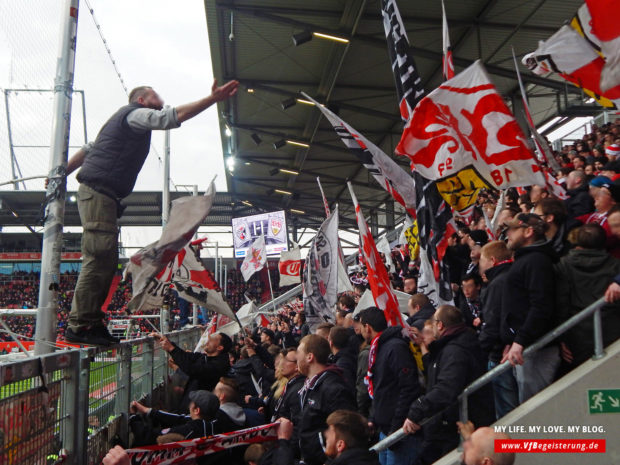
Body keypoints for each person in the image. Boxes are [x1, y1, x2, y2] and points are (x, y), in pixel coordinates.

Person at [64, 80, 238, 345]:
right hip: (99, 193)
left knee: (105, 260)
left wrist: (64, 171)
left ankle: (89, 322)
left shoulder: (119, 126)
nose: (161, 98)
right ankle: (81, 325)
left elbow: (89, 150)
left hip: (101, 194)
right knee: (99, 257)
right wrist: (212, 99)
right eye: (155, 95)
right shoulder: (134, 114)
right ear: (142, 100)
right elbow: (171, 117)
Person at [402, 305, 494, 465]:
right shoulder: (452, 346)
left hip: (453, 429)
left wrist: (417, 408)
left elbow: (446, 388)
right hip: (445, 427)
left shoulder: (455, 350)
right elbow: (437, 372)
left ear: (440, 325)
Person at [500, 213, 559, 403]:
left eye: (511, 229)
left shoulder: (536, 261)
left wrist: (521, 340)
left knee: (537, 409)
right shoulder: (527, 259)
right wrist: (512, 340)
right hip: (526, 347)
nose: (506, 233)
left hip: (536, 350)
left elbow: (541, 305)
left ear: (528, 231)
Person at [360, 307, 422, 465]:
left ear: (367, 327)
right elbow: (381, 388)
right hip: (385, 428)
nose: (359, 331)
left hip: (400, 432)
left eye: (361, 327)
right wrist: (374, 418)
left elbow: (409, 388)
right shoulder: (378, 349)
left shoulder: (394, 348)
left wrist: (396, 428)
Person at [555, 224, 620, 368]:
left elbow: (561, 302)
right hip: (611, 330)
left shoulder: (563, 266)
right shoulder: (616, 266)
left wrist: (562, 337)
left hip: (578, 335)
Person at [296, 334, 356, 465]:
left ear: (310, 357)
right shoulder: (310, 385)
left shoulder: (333, 388)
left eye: (298, 352)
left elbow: (346, 431)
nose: (296, 357)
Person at [478, 241, 518, 419]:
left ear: (492, 260)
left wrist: (479, 350)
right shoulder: (514, 274)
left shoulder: (497, 284)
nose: (480, 266)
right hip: (508, 348)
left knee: (507, 412)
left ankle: (511, 446)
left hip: (499, 355)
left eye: (482, 261)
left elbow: (492, 323)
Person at [154, 331, 231, 411]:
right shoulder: (205, 358)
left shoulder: (219, 365)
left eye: (211, 340)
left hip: (201, 411)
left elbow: (192, 369)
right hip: (193, 406)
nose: (207, 341)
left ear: (220, 347)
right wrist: (167, 342)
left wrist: (171, 348)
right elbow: (186, 356)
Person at [129, 390, 220, 446]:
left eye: (191, 402)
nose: (189, 405)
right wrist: (149, 411)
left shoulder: (187, 431)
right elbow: (179, 419)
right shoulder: (215, 425)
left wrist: (133, 417)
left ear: (196, 410)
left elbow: (147, 437)